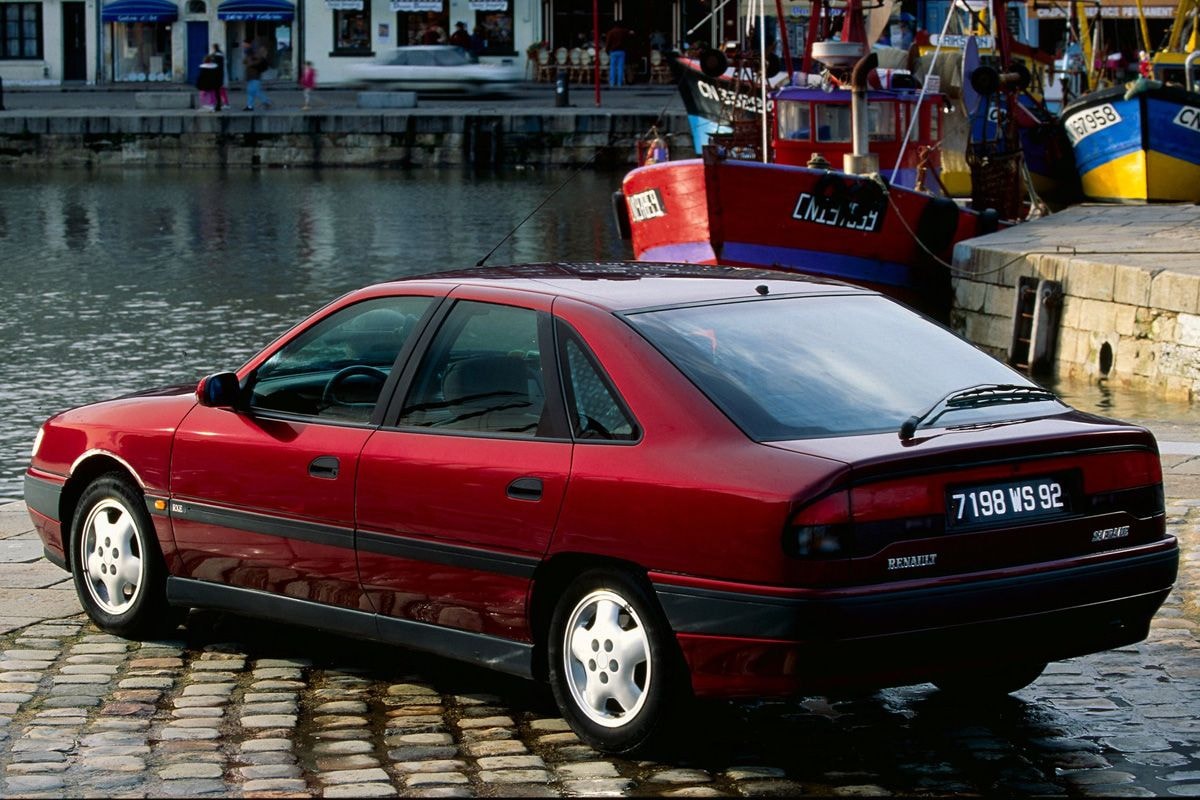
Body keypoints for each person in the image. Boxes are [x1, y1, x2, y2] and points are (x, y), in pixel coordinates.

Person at [242, 39, 272, 111]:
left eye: (244, 44)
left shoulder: (254, 53)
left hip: (255, 75)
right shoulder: (249, 53)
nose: (242, 45)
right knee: (250, 91)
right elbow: (245, 61)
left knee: (255, 91)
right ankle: (250, 106)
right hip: (250, 75)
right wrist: (248, 61)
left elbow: (257, 62)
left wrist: (250, 62)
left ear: (248, 44)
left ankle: (267, 101)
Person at [605, 19, 631, 88]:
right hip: (621, 51)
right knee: (620, 67)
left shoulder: (611, 32)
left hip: (613, 51)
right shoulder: (623, 32)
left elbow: (608, 43)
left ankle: (612, 83)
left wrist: (607, 50)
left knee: (612, 67)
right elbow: (628, 36)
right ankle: (619, 83)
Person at [211, 43, 230, 109]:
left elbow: (216, 66)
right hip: (221, 75)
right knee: (221, 90)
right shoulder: (220, 54)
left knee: (221, 90)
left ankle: (225, 103)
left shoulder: (217, 55)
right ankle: (223, 103)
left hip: (219, 76)